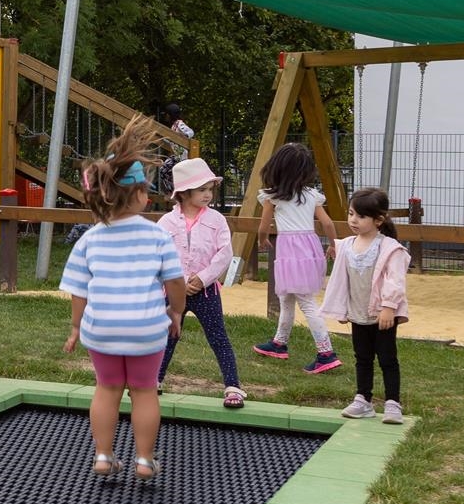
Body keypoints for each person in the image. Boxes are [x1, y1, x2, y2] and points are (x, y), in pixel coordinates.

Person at [60, 116, 187, 483]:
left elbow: (79, 292)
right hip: (146, 328)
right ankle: (144, 461)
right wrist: (175, 311)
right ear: (139, 195)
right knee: (145, 391)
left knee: (107, 388)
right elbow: (175, 282)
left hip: (103, 329)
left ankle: (103, 455)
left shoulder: (89, 239)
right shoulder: (157, 236)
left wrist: (74, 327)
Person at [156, 156, 247, 408]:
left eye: (210, 189)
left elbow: (224, 253)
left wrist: (203, 279)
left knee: (218, 336)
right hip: (174, 292)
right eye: (202, 190)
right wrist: (177, 282)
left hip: (206, 293)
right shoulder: (166, 223)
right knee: (167, 335)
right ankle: (155, 380)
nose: (208, 194)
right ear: (183, 193)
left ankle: (233, 386)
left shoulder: (217, 220)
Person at [251, 142, 342, 373]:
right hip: (309, 249)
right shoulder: (311, 195)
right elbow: (328, 223)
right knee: (287, 299)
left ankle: (326, 353)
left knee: (306, 302)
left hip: (289, 251)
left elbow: (263, 227)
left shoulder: (273, 197)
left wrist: (262, 241)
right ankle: (279, 343)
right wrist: (333, 245)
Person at [323, 187, 410, 423]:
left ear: (379, 220)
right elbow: (341, 281)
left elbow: (395, 280)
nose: (353, 220)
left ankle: (393, 404)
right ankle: (363, 400)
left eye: (360, 216)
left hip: (382, 315)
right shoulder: (347, 246)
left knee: (387, 358)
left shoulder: (390, 248)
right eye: (351, 213)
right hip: (358, 314)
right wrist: (342, 308)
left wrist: (389, 307)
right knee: (362, 357)